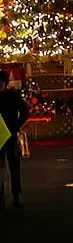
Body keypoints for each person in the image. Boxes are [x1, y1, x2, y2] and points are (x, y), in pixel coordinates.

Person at [0, 70, 29, 207]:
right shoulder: (11, 96)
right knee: (3, 166)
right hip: (3, 134)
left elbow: (24, 110)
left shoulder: (12, 96)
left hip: (10, 133)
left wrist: (17, 125)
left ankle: (16, 193)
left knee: (13, 165)